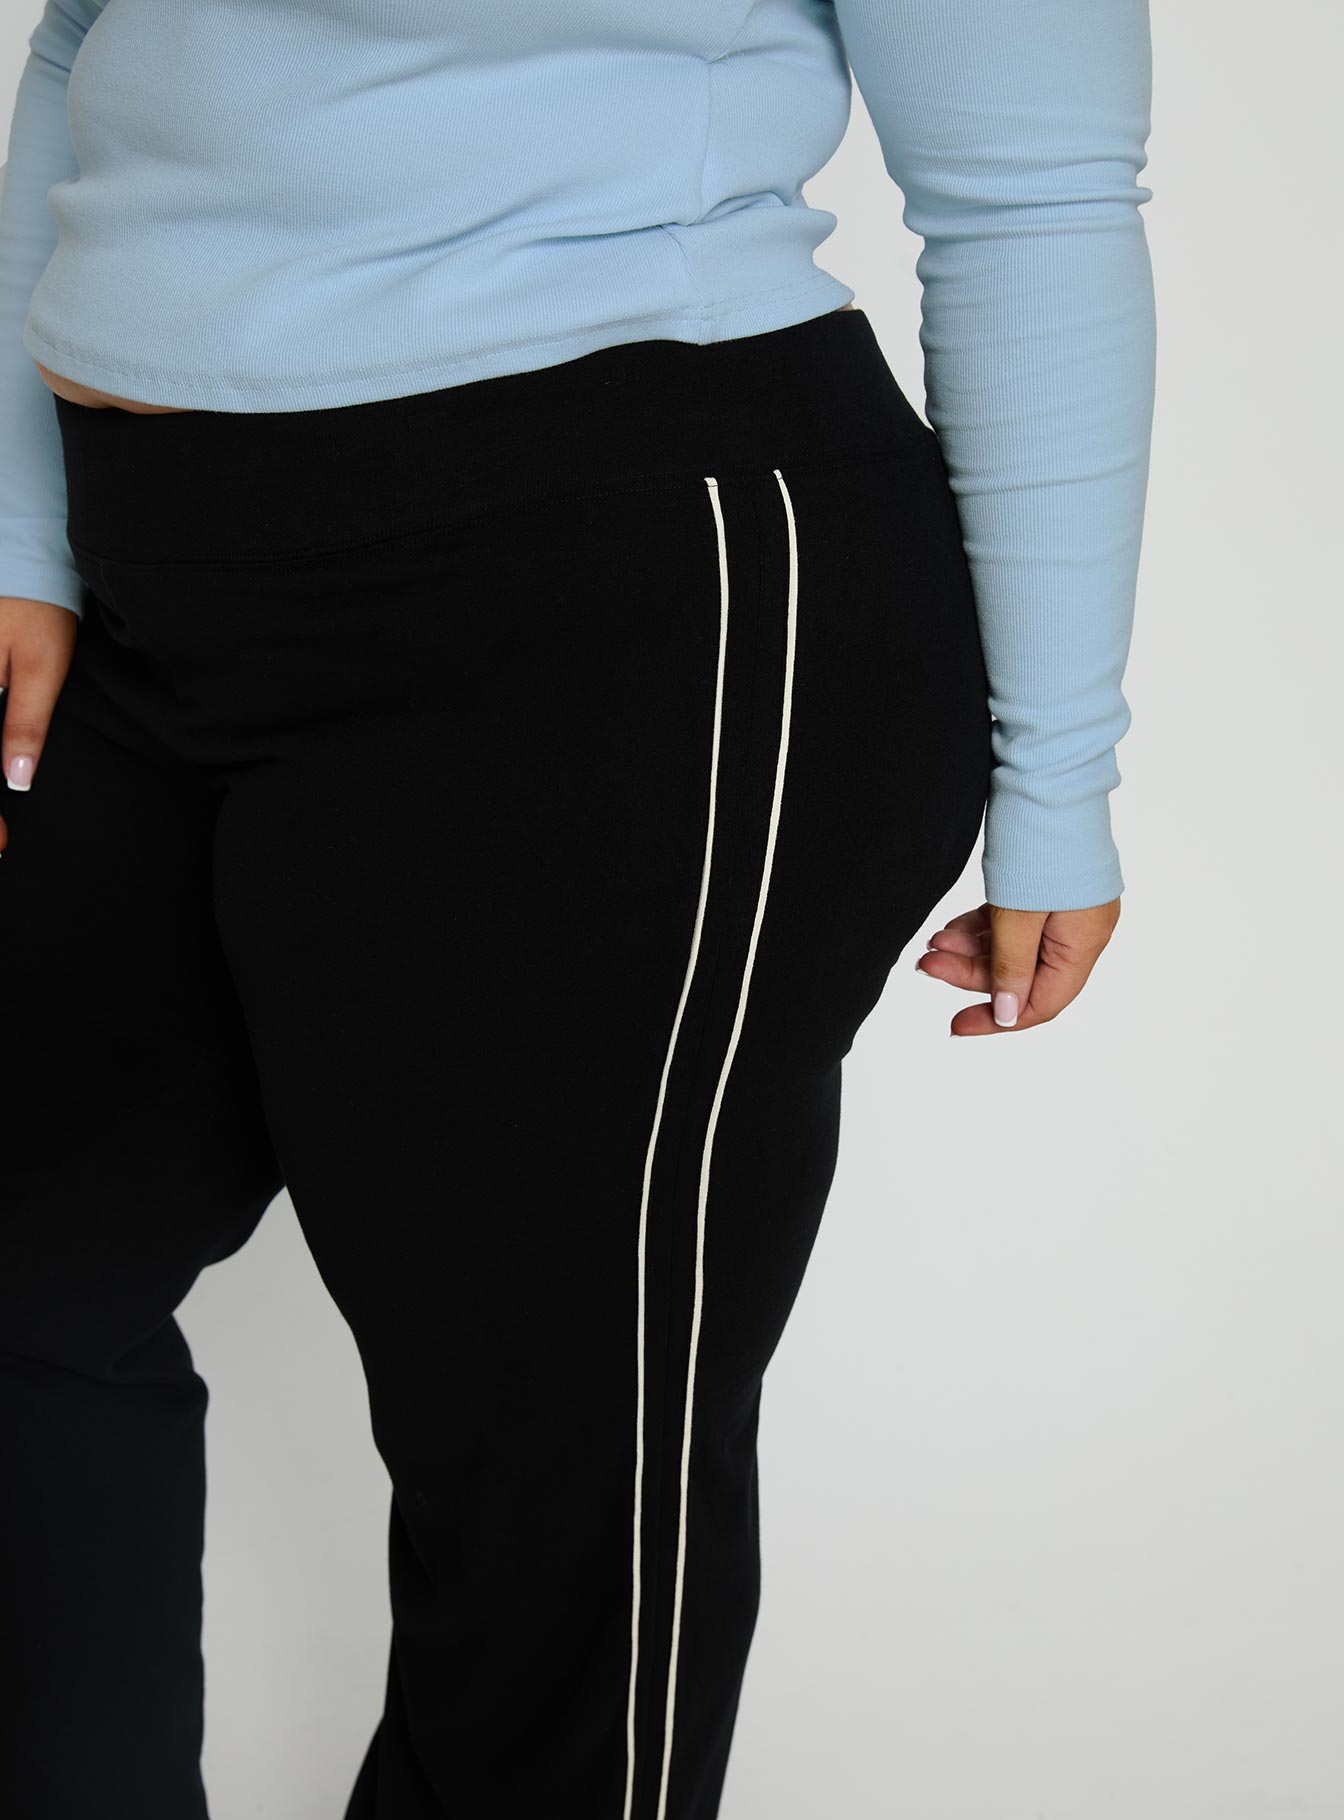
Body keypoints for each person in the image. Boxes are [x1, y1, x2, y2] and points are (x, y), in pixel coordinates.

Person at [0, 2, 1156, 1816]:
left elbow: (1033, 194)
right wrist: (20, 533)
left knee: (556, 1502)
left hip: (612, 596)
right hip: (154, 577)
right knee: (30, 1284)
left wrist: (1057, 773)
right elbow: (89, 37)